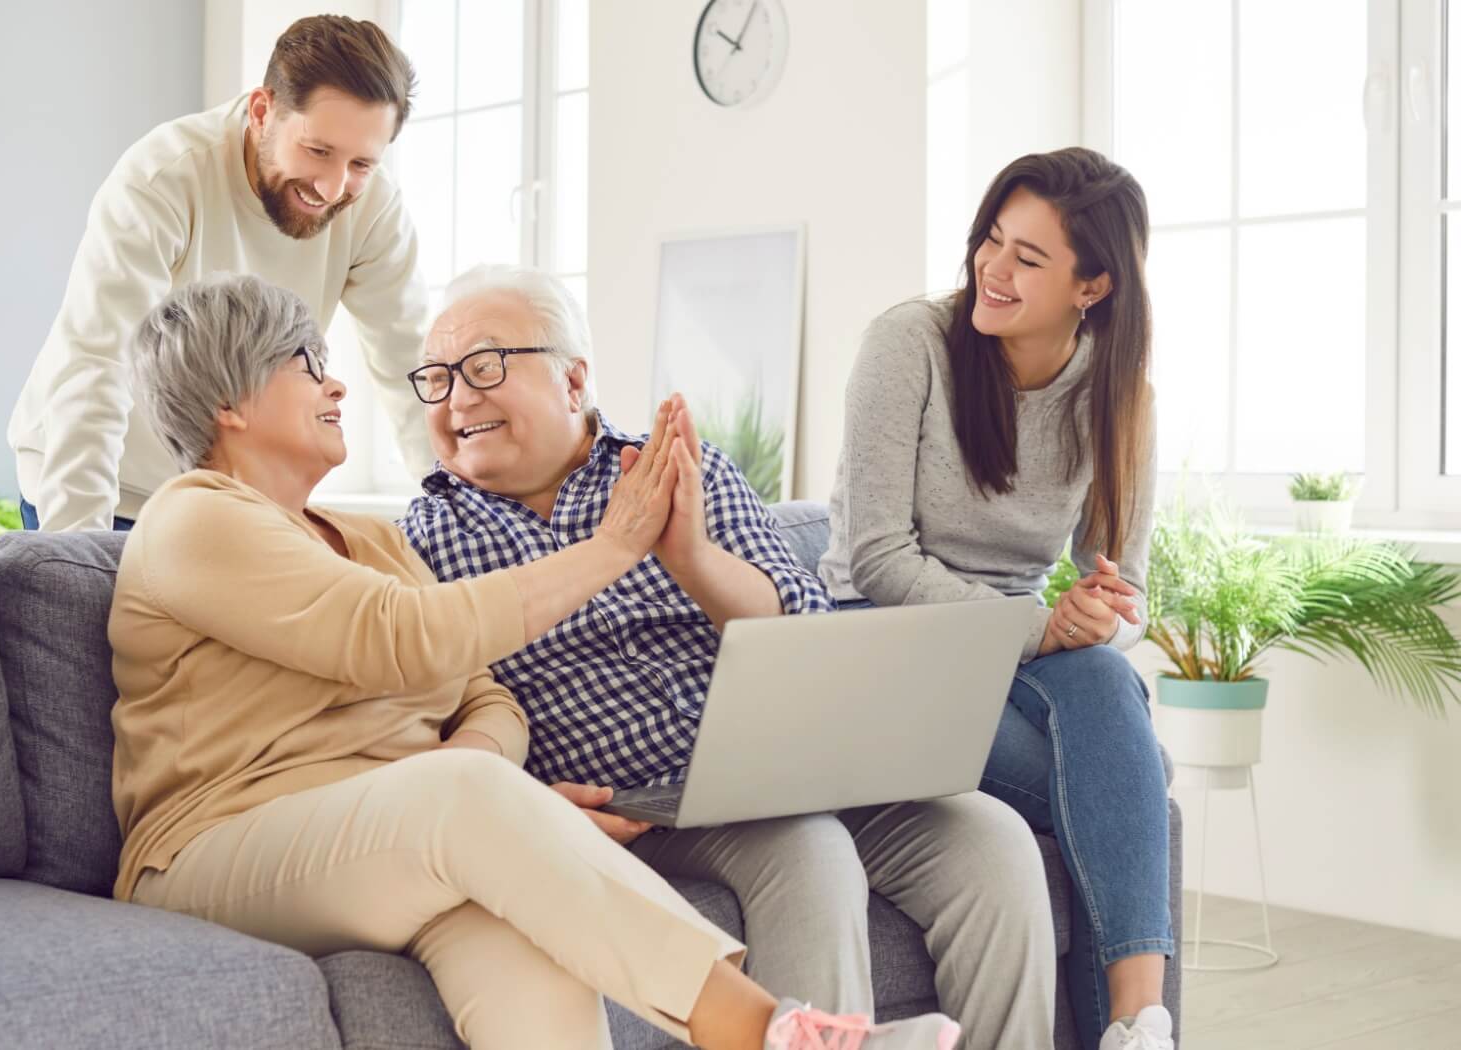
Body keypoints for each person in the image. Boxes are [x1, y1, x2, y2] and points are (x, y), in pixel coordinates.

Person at [109, 273, 964, 1050]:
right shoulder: (193, 519)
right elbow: (396, 635)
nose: (336, 384)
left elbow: (485, 693)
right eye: (306, 364)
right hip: (217, 850)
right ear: (231, 400)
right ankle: (778, 1034)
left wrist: (478, 770)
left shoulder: (367, 539)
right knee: (458, 801)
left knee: (534, 952)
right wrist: (617, 544)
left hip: (394, 838)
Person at [400, 264, 1058, 1050]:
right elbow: (431, 722)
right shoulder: (423, 538)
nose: (457, 399)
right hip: (643, 803)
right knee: (807, 848)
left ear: (573, 380)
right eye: (436, 380)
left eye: (483, 367)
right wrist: (526, 805)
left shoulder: (685, 470)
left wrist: (694, 560)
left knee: (992, 838)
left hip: (792, 761)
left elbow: (807, 629)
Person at [819, 147, 1174, 1050]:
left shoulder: (1118, 392)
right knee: (1113, 784)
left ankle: (1141, 1024)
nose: (993, 266)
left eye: (1028, 257)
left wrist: (1095, 617)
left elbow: (1118, 587)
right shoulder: (909, 345)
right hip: (885, 637)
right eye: (992, 238)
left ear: (1091, 287)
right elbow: (876, 561)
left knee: (1104, 686)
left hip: (1022, 653)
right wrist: (1041, 627)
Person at [8, 15, 431, 533]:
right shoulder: (164, 178)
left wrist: (464, 507)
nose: (332, 186)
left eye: (362, 164)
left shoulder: (374, 210)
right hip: (101, 486)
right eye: (317, 150)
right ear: (262, 111)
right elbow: (96, 364)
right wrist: (78, 546)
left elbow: (410, 368)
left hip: (227, 500)